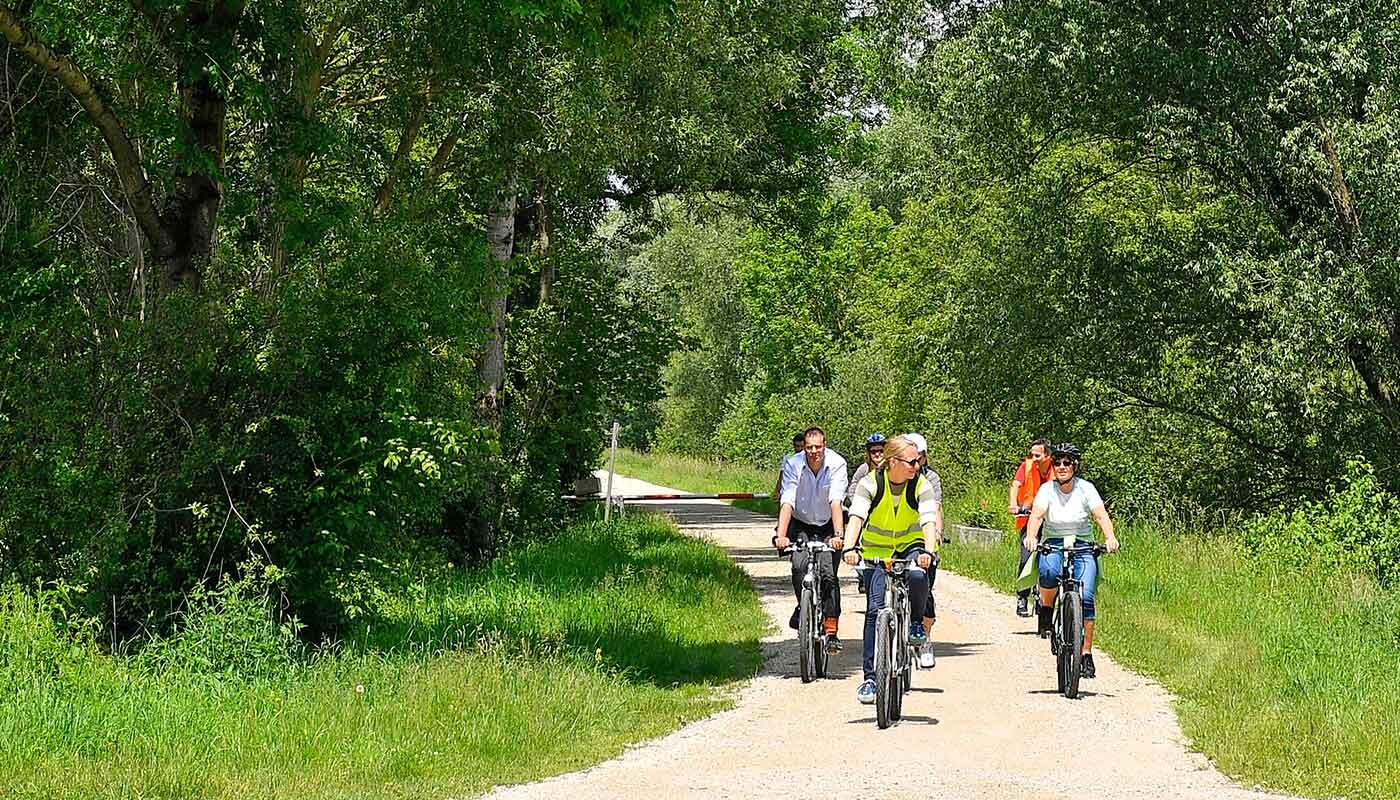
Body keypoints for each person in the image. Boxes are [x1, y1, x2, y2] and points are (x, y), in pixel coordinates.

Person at [843, 435, 940, 704]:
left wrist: (929, 552)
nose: (916, 467)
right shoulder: (870, 482)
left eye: (918, 461)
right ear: (894, 461)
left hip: (911, 545)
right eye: (911, 462)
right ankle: (870, 679)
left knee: (919, 575)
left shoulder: (919, 485)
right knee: (875, 610)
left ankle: (916, 624)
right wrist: (850, 548)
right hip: (876, 550)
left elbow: (929, 519)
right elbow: (857, 517)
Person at [1022, 442, 1120, 679]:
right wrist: (1032, 537)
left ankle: (1086, 653)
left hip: (1083, 544)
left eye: (1067, 463)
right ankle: (1046, 610)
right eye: (1057, 463)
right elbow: (1036, 515)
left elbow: (1100, 514)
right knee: (1047, 573)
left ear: (1075, 466)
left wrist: (1110, 537)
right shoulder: (1047, 490)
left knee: (1085, 597)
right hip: (1053, 542)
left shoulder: (1086, 489)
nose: (1062, 467)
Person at [775, 427, 849, 653]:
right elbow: (787, 500)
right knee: (798, 566)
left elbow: (836, 501)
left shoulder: (837, 464)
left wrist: (838, 536)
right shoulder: (793, 464)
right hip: (801, 522)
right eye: (809, 447)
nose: (814, 451)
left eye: (818, 447)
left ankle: (831, 629)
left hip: (828, 523)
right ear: (804, 448)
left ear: (824, 445)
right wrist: (781, 535)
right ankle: (803, 605)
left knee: (828, 573)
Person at [903, 432, 943, 667]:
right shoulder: (892, 477)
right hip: (895, 541)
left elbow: (936, 509)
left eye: (918, 457)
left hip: (922, 538)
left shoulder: (931, 479)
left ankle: (925, 639)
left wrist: (936, 535)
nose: (914, 463)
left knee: (924, 587)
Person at [1008, 438, 1054, 618]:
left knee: (1052, 559)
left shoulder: (1057, 469)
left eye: (1038, 455)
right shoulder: (1026, 466)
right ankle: (1022, 597)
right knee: (1026, 558)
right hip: (1029, 518)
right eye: (1032, 454)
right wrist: (1013, 504)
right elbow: (1016, 485)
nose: (1033, 458)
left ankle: (1049, 599)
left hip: (1051, 521)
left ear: (1047, 455)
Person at [845, 434, 886, 503]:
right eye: (873, 452)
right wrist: (857, 505)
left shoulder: (891, 467)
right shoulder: (863, 469)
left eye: (881, 451)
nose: (877, 454)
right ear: (869, 453)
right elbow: (852, 489)